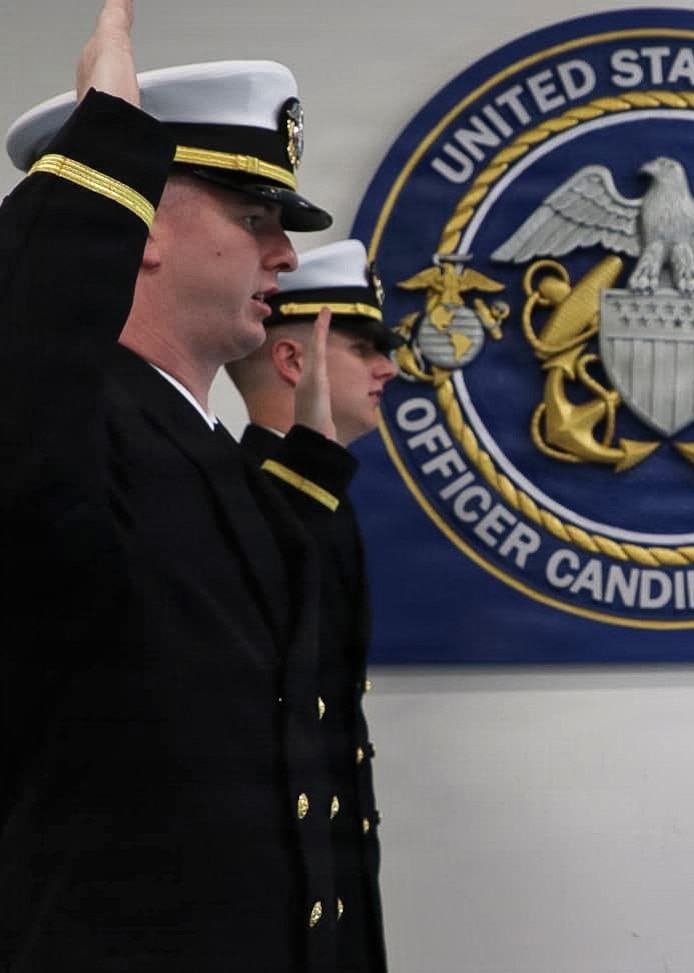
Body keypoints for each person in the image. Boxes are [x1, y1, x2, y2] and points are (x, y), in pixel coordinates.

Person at [0, 3, 359, 970]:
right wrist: (101, 152)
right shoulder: (78, 426)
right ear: (144, 223)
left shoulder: (196, 443)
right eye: (255, 218)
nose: (285, 255)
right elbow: (25, 385)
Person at [226, 239, 403, 973]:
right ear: (295, 362)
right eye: (363, 347)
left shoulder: (322, 506)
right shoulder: (243, 505)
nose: (388, 367)